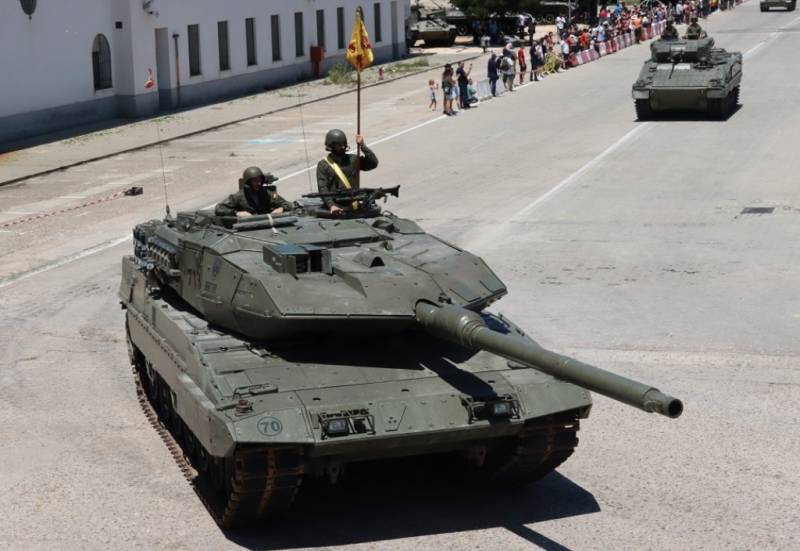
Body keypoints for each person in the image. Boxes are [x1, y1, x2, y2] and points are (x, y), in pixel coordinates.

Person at [316, 129, 379, 215]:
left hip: (354, 207)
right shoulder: (323, 165)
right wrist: (331, 205)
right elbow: (323, 188)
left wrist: (363, 146)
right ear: (331, 146)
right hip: (335, 209)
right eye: (339, 145)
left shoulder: (352, 160)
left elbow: (373, 163)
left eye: (344, 144)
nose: (343, 147)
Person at [215, 167, 292, 218]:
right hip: (247, 226)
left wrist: (281, 209)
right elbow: (219, 208)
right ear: (248, 182)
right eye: (255, 181)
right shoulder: (238, 196)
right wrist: (237, 213)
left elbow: (288, 204)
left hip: (267, 223)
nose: (258, 183)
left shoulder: (268, 193)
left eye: (259, 180)